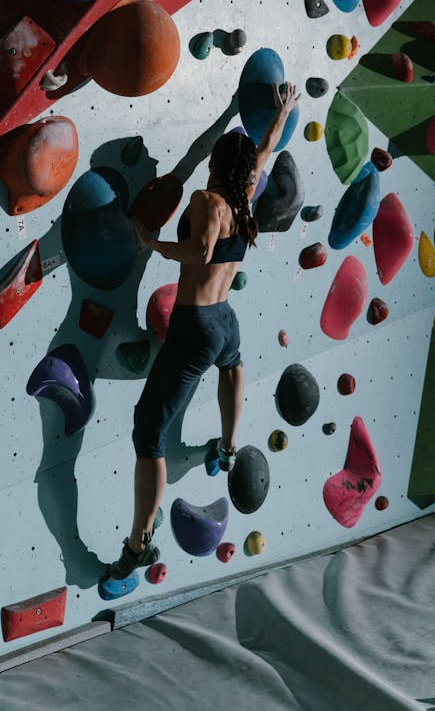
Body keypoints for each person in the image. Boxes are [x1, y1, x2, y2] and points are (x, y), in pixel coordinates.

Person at [108, 82, 301, 579]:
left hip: (193, 324)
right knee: (231, 368)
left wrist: (154, 244)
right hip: (224, 319)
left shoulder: (206, 200)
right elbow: (266, 147)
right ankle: (228, 447)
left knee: (149, 428)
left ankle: (137, 544)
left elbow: (200, 253)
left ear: (215, 165)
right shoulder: (244, 195)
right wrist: (280, 113)